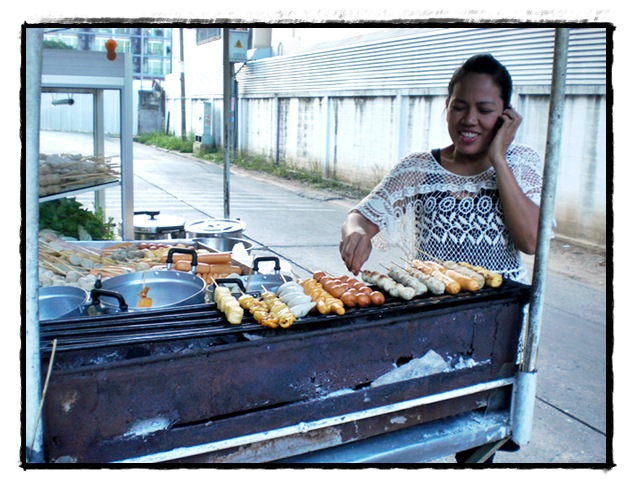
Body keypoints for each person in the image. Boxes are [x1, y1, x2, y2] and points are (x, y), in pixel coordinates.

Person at [339, 53, 544, 285]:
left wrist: (498, 158)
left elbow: (531, 242)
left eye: (484, 110)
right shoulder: (418, 168)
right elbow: (360, 217)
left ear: (506, 116)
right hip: (431, 309)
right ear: (447, 107)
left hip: (500, 313)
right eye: (459, 107)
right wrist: (357, 232)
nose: (469, 119)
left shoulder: (521, 162)